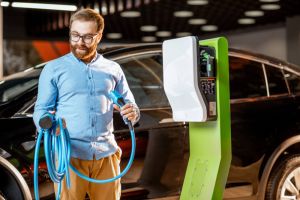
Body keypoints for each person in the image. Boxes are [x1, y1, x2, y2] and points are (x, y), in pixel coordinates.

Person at [33, 8, 140, 200]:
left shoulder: (113, 69)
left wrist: (132, 111)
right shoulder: (54, 69)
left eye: (88, 37)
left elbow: (129, 102)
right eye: (75, 36)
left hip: (106, 154)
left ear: (99, 36)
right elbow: (41, 110)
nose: (80, 43)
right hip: (70, 156)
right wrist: (48, 125)